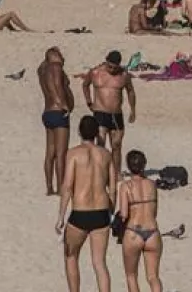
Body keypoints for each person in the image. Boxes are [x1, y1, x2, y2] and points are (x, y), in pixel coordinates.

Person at [57, 116, 115, 292]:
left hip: (80, 213)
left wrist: (60, 216)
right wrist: (111, 211)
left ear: (79, 132)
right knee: (100, 263)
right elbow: (112, 187)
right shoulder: (106, 155)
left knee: (71, 256)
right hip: (101, 212)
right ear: (97, 133)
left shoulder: (73, 154)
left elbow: (67, 186)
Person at [117, 150, 164, 292]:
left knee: (131, 276)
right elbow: (154, 212)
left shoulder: (126, 186)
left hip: (133, 232)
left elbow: (124, 214)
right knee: (153, 277)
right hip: (152, 232)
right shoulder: (151, 184)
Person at [82, 50, 136, 173]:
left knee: (116, 145)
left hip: (116, 114)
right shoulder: (95, 72)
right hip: (100, 112)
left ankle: (116, 173)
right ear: (106, 62)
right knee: (100, 144)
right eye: (109, 66)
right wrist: (89, 102)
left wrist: (133, 109)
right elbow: (85, 85)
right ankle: (101, 172)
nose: (111, 69)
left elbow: (130, 91)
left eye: (114, 67)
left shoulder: (124, 75)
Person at [39, 47, 75, 196]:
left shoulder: (42, 70)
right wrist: (62, 103)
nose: (62, 57)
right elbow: (56, 86)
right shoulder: (56, 67)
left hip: (47, 112)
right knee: (61, 153)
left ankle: (49, 187)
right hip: (58, 112)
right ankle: (61, 187)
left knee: (50, 153)